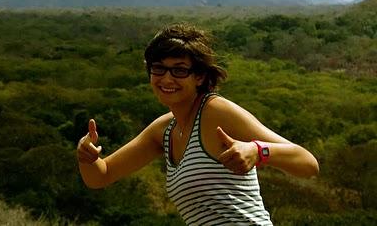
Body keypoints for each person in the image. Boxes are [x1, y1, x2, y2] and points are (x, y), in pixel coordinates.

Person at [77, 23, 319, 225]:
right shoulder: (164, 130)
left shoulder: (216, 112)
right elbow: (101, 176)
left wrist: (257, 151)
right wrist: (86, 156)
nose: (167, 78)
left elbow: (307, 163)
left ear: (200, 76)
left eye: (180, 70)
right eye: (158, 69)